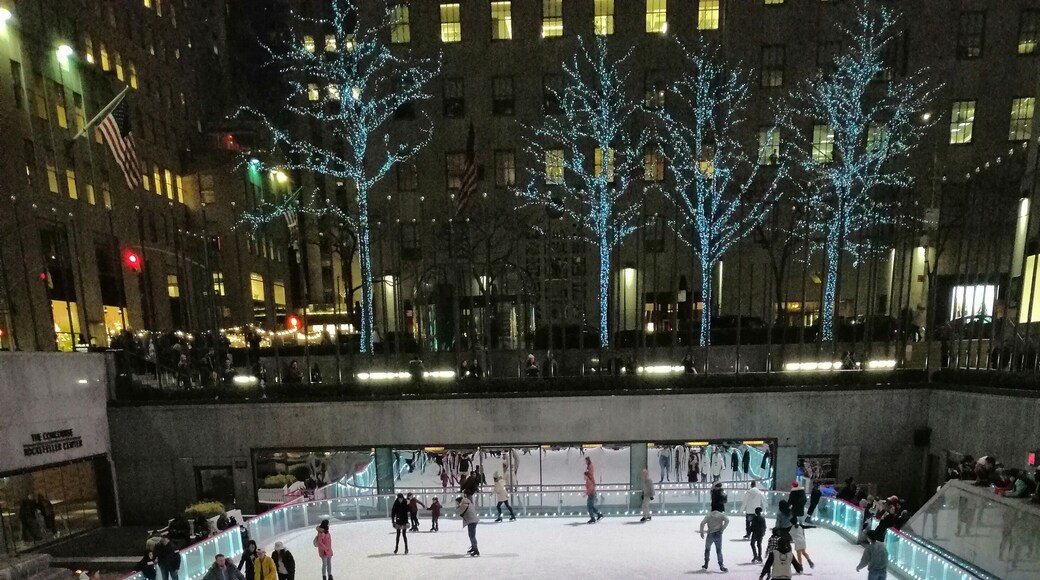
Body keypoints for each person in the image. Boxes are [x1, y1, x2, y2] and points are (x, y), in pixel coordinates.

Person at [699, 508, 730, 572]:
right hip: (718, 534)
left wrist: (702, 532)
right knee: (719, 550)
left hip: (710, 534)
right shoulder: (721, 515)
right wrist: (722, 529)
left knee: (707, 549)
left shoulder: (709, 515)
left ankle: (706, 563)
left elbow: (702, 523)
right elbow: (727, 520)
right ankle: (721, 565)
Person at [584, 457, 603, 523]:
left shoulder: (589, 480)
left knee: (589, 506)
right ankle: (598, 514)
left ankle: (593, 518)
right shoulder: (588, 479)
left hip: (591, 493)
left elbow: (591, 487)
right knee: (591, 506)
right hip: (592, 493)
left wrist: (586, 493)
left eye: (586, 461)